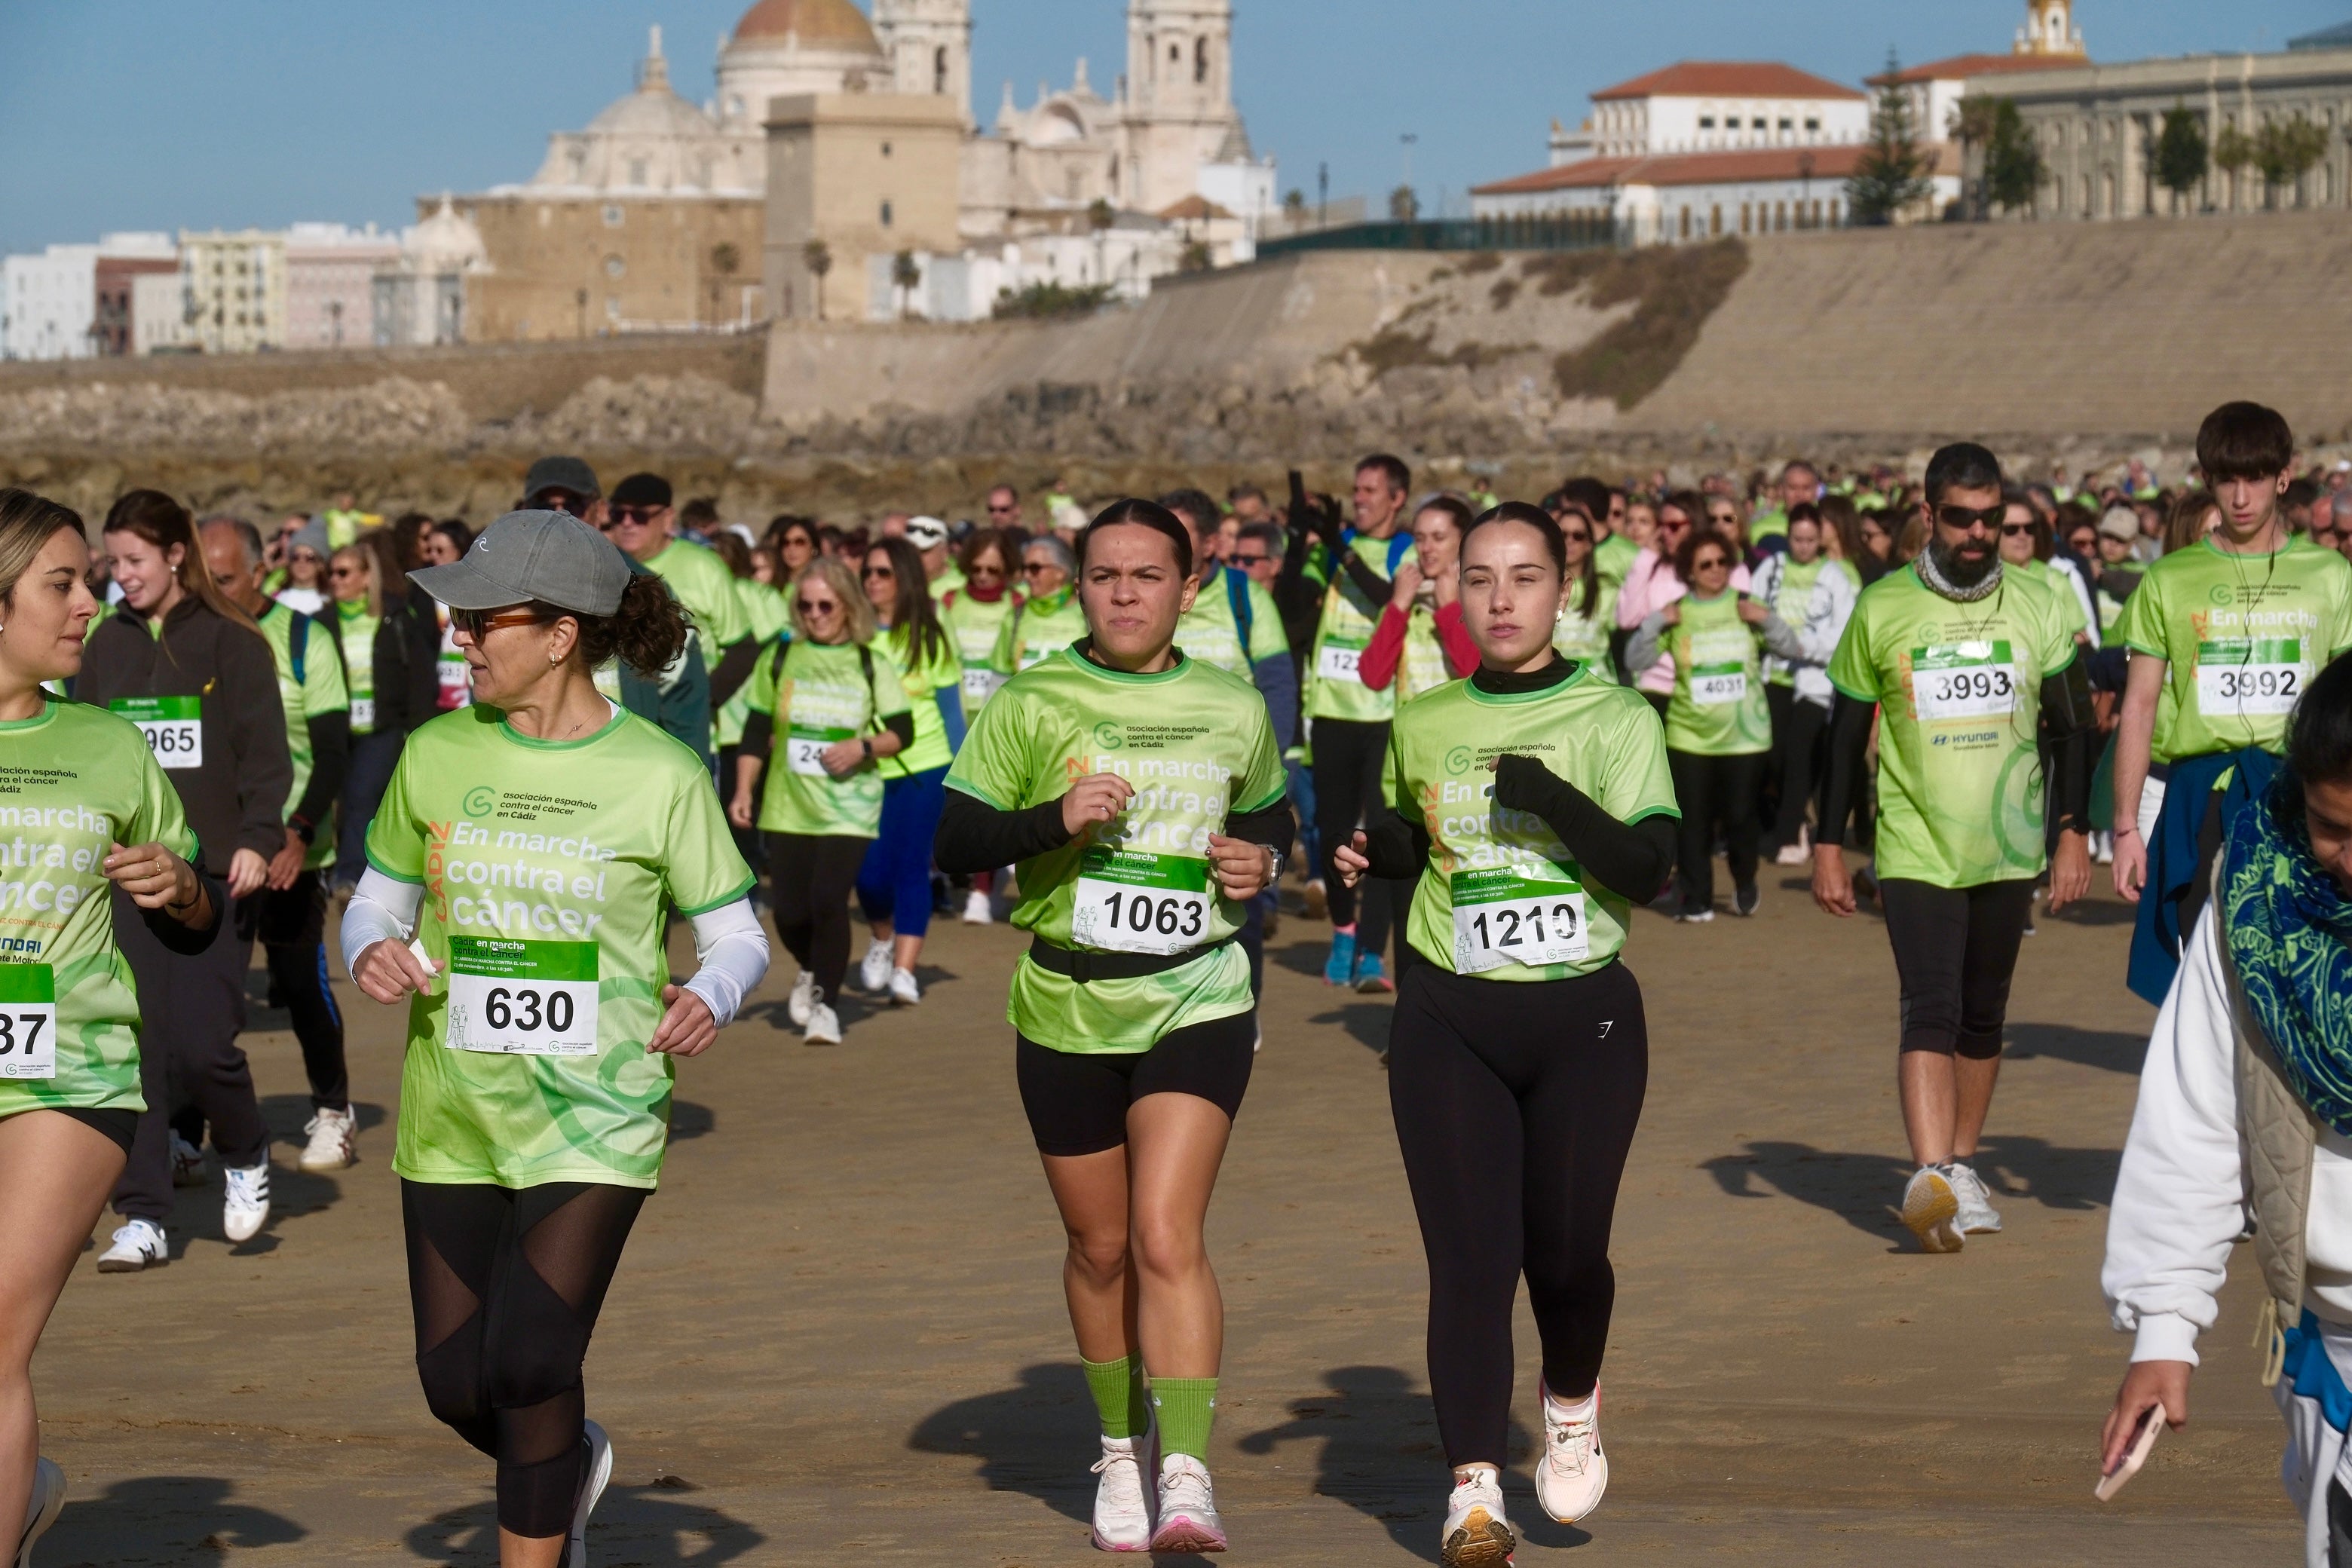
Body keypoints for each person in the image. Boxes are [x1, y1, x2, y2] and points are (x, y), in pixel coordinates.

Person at [341, 508, 766, 1568]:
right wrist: (371, 949)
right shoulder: (436, 753)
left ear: (562, 633)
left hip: (600, 1112)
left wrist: (711, 993)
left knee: (530, 1360)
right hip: (454, 1112)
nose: (464, 639)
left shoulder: (661, 774)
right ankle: (564, 1465)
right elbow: (375, 901)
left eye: (485, 621)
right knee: (457, 1386)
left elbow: (736, 934)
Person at [933, 499, 1291, 1554]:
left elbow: (1268, 808)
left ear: (1192, 589)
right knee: (1098, 1249)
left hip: (1197, 990)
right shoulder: (1036, 698)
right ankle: (1119, 1454)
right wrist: (1054, 820)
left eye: (1147, 575)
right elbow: (958, 838)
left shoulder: (1231, 704)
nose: (1125, 592)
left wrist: (1260, 863)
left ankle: (1187, 1473)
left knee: (1164, 1234)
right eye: (1104, 575)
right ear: (1077, 586)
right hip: (1065, 1000)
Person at [1332, 501, 1677, 1564]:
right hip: (1449, 1016)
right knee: (1471, 1264)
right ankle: (1473, 1488)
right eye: (1478, 578)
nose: (1500, 598)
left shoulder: (1615, 716)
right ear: (1455, 591)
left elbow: (1650, 870)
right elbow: (1414, 831)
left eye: (1524, 577)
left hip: (1587, 1018)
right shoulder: (1427, 716)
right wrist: (1371, 850)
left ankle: (1570, 1400)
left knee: (1567, 1259)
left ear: (1561, 589)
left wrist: (1555, 800)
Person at [0, 488, 222, 1565]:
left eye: (90, 578)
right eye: (61, 584)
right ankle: (22, 1485)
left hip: (68, 1068)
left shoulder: (109, 746)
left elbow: (196, 919)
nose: (90, 602)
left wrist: (176, 882)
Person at [2099, 654, 2352, 1568]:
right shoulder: (2254, 899)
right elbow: (2196, 1115)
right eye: (2332, 829)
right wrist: (2165, 1325)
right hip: (2336, 1344)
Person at [1814, 443, 2095, 1253]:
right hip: (1914, 844)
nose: (1979, 533)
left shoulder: (2041, 601)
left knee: (1984, 1010)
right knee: (1929, 1000)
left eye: (1993, 518)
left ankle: (1964, 1165)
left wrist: (2073, 829)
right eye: (1963, 518)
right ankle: (1931, 1173)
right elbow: (1840, 741)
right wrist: (1829, 846)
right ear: (1930, 515)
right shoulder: (1883, 607)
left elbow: (2073, 727)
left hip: (2008, 843)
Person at [78, 490, 292, 1271]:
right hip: (129, 872)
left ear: (176, 553)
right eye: (112, 563)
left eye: (133, 560)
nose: (120, 576)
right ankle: (141, 1214)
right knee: (134, 1045)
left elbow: (268, 757)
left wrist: (260, 840)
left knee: (204, 1047)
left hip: (217, 874)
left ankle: (245, 1149)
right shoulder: (104, 647)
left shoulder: (235, 644)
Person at [2113, 403, 2352, 1007]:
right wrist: (2123, 827)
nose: (2240, 497)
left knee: (2303, 974)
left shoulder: (2330, 574)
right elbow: (2138, 707)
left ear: (2284, 475)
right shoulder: (2168, 578)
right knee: (2205, 975)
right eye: (2226, 479)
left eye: (2254, 478)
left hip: (2301, 799)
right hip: (2203, 800)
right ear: (2208, 480)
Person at [199, 519, 358, 1173]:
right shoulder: (188, 638)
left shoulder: (303, 638)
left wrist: (295, 835)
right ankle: (186, 1132)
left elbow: (330, 754)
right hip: (210, 852)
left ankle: (333, 1112)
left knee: (300, 987)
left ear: (261, 569)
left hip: (295, 848)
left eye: (226, 579)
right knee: (200, 998)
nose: (211, 591)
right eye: (200, 580)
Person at [731, 556, 914, 1045]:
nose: (814, 614)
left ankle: (827, 1009)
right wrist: (744, 790)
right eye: (806, 605)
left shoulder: (869, 661)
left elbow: (903, 732)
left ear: (848, 606)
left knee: (828, 901)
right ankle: (815, 970)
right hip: (788, 804)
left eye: (825, 606)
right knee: (789, 912)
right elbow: (754, 730)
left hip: (849, 807)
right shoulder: (780, 656)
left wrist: (863, 747)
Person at [1628, 531, 1801, 920]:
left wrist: (1767, 620)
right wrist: (1656, 623)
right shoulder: (1676, 614)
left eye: (1722, 562)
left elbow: (1792, 647)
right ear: (1689, 570)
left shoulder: (1746, 608)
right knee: (1693, 824)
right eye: (1705, 564)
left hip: (1745, 737)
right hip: (1690, 735)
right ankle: (1698, 899)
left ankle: (1744, 878)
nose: (1715, 571)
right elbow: (1636, 660)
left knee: (1740, 819)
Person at [1299, 455, 1418, 992]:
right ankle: (1344, 928)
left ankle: (1373, 952)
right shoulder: (1332, 547)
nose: (1360, 498)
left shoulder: (1406, 549)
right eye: (1356, 489)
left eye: (1371, 490)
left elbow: (1384, 596)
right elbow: (1295, 602)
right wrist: (1305, 538)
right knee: (1331, 828)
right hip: (1332, 709)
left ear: (1397, 498)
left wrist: (1340, 548)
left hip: (1384, 713)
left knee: (1380, 833)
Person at [524, 459, 715, 769]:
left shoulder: (642, 588)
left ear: (599, 511)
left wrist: (692, 780)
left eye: (573, 503)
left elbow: (684, 700)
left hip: (626, 772)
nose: (558, 514)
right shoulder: (506, 590)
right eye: (543, 504)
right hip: (537, 769)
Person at [852, 537, 963, 1005]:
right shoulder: (853, 633)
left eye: (883, 573)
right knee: (869, 876)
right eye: (868, 573)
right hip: (866, 771)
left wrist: (965, 783)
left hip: (926, 769)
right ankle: (882, 938)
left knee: (911, 868)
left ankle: (905, 968)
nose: (873, 582)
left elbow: (950, 712)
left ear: (905, 579)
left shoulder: (931, 632)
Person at [325, 540, 435, 898]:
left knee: (361, 795)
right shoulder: (320, 623)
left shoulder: (396, 618)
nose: (335, 580)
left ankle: (350, 875)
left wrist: (416, 731)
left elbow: (420, 677)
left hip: (383, 728)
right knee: (340, 800)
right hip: (337, 728)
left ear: (365, 576)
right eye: (331, 573)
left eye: (343, 572)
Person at [1751, 504, 1858, 862]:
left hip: (1816, 682)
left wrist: (1801, 646)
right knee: (1774, 755)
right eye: (1797, 539)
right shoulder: (1771, 568)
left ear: (1821, 539)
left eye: (1811, 540)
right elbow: (1753, 611)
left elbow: (1841, 635)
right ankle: (1786, 820)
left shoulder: (1835, 577)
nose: (1803, 546)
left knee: (1799, 753)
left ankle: (1791, 832)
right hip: (1774, 675)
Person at [601, 473, 758, 716]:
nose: (627, 523)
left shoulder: (704, 566)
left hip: (687, 725)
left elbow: (743, 648)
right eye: (619, 514)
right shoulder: (604, 565)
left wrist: (699, 703)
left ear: (667, 518)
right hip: (623, 721)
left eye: (639, 515)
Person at [1360, 495, 1477, 704]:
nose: (1426, 548)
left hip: (1464, 733)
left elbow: (1481, 678)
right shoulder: (1406, 595)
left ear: (1465, 541)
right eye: (1420, 538)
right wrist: (1397, 607)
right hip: (1412, 734)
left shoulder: (1483, 597)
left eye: (1439, 538)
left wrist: (1451, 609)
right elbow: (1373, 677)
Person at [991, 535, 1088, 675]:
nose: (1026, 575)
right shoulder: (1016, 616)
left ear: (1060, 573)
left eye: (1034, 568)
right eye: (1024, 568)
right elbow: (999, 677)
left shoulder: (1087, 617)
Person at [1546, 501, 1619, 677]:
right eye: (1563, 535)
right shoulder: (1540, 588)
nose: (1570, 541)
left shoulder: (1607, 588)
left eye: (1578, 536)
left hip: (1599, 689)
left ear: (1589, 544)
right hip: (1553, 688)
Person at [905, 514, 962, 598]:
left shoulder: (962, 586)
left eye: (923, 551)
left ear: (944, 552)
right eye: (910, 551)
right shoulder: (897, 582)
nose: (915, 557)